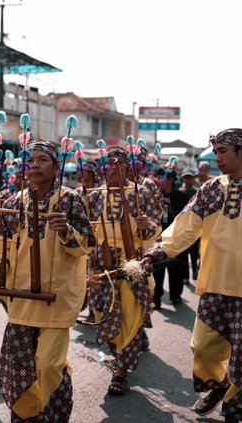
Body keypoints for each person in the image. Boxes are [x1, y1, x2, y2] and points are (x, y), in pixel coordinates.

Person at [0, 139, 95, 422]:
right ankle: (30, 415)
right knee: (13, 367)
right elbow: (2, 249)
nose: (35, 166)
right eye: (32, 161)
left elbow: (87, 244)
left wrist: (66, 231)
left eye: (43, 160)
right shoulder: (13, 202)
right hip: (22, 299)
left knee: (49, 365)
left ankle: (52, 415)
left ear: (56, 167)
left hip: (57, 298)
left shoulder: (69, 199)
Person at [142, 128, 242, 423]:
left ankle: (234, 410)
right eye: (216, 151)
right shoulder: (212, 189)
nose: (217, 157)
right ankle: (218, 384)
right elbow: (185, 225)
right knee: (202, 346)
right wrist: (159, 251)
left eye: (223, 151)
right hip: (214, 283)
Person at [88, 145, 161, 395]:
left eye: (120, 162)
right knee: (102, 316)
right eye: (110, 162)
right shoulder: (96, 194)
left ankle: (120, 370)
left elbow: (155, 226)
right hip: (101, 263)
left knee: (130, 318)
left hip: (132, 264)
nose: (114, 166)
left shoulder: (141, 192)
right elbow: (87, 231)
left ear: (130, 167)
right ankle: (117, 354)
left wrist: (146, 226)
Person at [152, 169, 187, 309]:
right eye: (158, 177)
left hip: (175, 237)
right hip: (158, 237)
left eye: (163, 177)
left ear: (171, 180)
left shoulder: (181, 196)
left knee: (176, 267)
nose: (160, 181)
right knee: (157, 269)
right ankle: (156, 297)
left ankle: (175, 295)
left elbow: (186, 218)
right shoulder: (155, 196)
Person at [179, 168, 200, 284]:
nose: (188, 180)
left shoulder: (198, 192)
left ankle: (195, 272)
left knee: (195, 253)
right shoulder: (179, 192)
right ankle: (185, 275)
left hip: (196, 227)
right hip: (183, 228)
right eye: (186, 177)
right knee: (183, 254)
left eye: (190, 177)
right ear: (183, 178)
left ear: (193, 178)